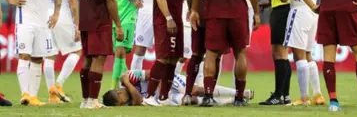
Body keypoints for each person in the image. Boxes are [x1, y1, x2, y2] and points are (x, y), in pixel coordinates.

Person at [0, 0, 62, 106]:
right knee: (24, 56)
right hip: (25, 20)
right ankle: (25, 93)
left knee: (38, 59)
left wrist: (56, 13)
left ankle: (33, 97)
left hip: (44, 22)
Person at [79, 0, 124, 109]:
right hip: (99, 19)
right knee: (99, 58)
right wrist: (118, 25)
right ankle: (92, 101)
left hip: (85, 18)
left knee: (88, 60)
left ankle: (85, 100)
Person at [143, 0, 187, 106]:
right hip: (165, 20)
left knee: (173, 58)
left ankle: (164, 97)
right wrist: (168, 18)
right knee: (162, 57)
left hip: (176, 18)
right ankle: (148, 96)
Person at [279, 0, 325, 106]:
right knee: (308, 54)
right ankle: (318, 94)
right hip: (313, 12)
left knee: (299, 55)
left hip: (299, 11)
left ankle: (304, 97)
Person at [253, 0, 292, 105]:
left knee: (280, 52)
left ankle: (279, 95)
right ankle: (284, 95)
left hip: (284, 10)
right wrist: (268, 1)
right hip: (279, 8)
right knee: (280, 52)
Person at [42, 0, 81, 104]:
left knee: (49, 55)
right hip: (62, 16)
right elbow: (72, 0)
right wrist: (78, 25)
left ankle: (52, 95)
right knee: (77, 51)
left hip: (44, 16)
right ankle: (58, 84)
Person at [101, 70, 254, 106]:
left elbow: (154, 73)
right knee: (191, 101)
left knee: (196, 90)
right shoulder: (129, 95)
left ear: (119, 92)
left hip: (168, 81)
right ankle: (231, 100)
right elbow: (139, 99)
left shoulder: (131, 76)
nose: (123, 103)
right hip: (163, 97)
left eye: (120, 100)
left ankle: (240, 93)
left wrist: (127, 82)